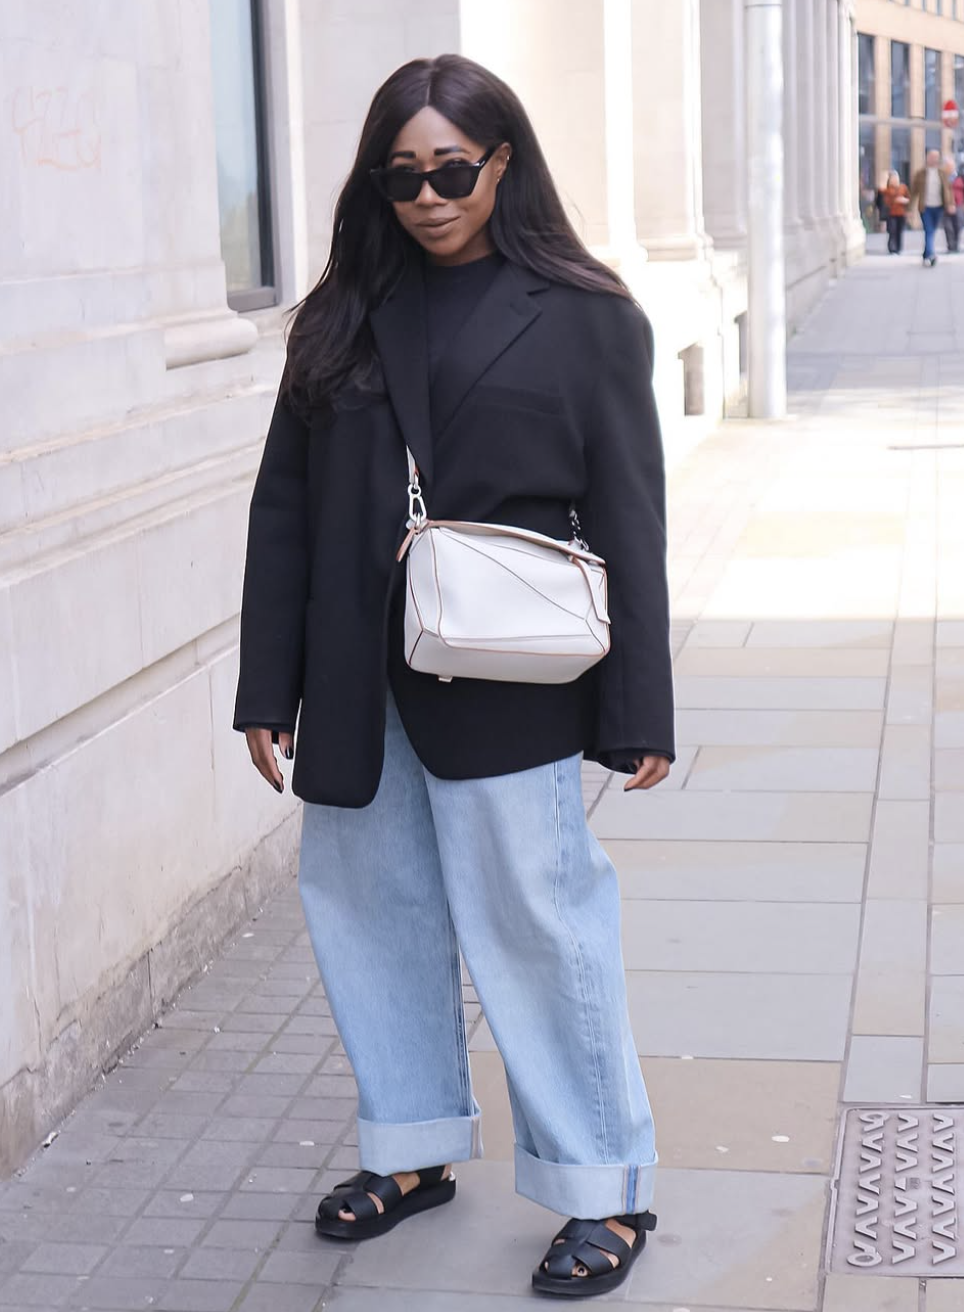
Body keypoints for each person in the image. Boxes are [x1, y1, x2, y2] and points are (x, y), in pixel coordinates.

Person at [233, 54, 674, 1299]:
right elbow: (284, 509)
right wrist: (268, 686)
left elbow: (627, 516)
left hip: (510, 679)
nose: (427, 196)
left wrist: (638, 704)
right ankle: (415, 1148)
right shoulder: (337, 315)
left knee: (540, 931)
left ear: (503, 165)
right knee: (370, 917)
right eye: (402, 175)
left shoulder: (585, 315)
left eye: (451, 170)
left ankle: (604, 1186)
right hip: (356, 682)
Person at [909, 148, 954, 266]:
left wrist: (951, 204)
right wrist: (909, 209)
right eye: (931, 156)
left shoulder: (942, 173)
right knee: (929, 230)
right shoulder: (920, 173)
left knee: (931, 231)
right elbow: (913, 192)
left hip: (939, 207)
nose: (934, 159)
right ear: (927, 158)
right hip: (925, 207)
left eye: (936, 157)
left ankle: (926, 253)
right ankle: (931, 255)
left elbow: (949, 189)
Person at [882, 170, 910, 254]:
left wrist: (904, 201)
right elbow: (885, 201)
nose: (894, 180)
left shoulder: (903, 187)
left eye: (896, 178)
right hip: (891, 214)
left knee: (899, 231)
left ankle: (898, 248)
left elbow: (909, 199)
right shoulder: (887, 189)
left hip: (901, 213)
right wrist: (894, 201)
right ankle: (892, 248)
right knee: (892, 230)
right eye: (893, 178)